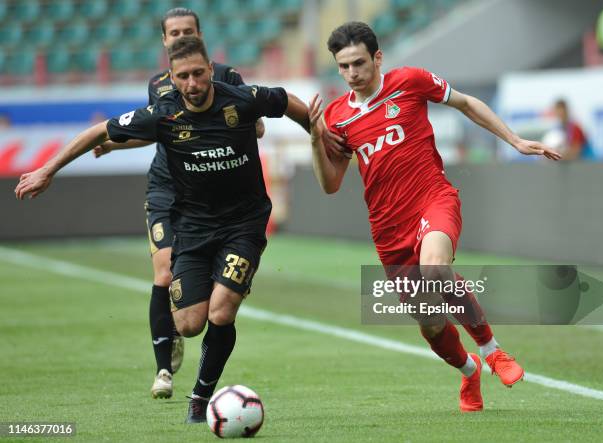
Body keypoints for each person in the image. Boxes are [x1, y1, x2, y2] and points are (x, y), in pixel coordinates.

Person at [15, 35, 311, 423]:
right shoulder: (163, 113)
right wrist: (46, 170)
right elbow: (99, 131)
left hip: (244, 223)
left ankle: (200, 399)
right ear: (172, 77)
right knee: (189, 324)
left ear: (210, 70)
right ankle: (206, 294)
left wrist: (319, 135)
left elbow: (287, 101)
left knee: (222, 312)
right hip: (193, 227)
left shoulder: (242, 99)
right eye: (184, 76)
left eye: (199, 74)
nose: (193, 83)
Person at [308, 22, 562, 412]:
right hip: (388, 229)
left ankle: (493, 351)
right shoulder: (339, 118)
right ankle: (468, 372)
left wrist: (515, 140)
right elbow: (330, 184)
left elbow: (466, 103)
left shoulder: (410, 82)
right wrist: (315, 139)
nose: (352, 74)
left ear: (377, 58)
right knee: (429, 322)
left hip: (433, 199)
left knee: (435, 268)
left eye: (358, 63)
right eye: (343, 67)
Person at [93, 7, 266, 399]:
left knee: (201, 299)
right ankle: (164, 370)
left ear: (201, 37)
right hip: (167, 186)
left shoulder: (226, 77)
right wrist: (113, 143)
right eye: (173, 32)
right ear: (164, 40)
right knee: (162, 273)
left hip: (210, 190)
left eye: (187, 30)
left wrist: (253, 125)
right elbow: (160, 129)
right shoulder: (159, 84)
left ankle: (213, 287)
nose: (179, 36)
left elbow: (250, 121)